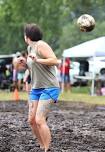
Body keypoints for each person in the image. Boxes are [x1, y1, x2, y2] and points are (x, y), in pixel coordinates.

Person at [17, 23, 60, 152]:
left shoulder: (41, 45)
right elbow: (34, 66)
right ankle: (42, 146)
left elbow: (54, 60)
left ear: (27, 36)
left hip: (49, 87)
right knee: (31, 121)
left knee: (40, 119)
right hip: (36, 88)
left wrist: (37, 60)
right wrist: (26, 64)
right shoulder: (30, 49)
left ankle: (47, 149)